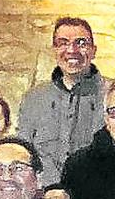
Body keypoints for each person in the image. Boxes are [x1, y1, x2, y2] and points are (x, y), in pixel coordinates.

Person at [16, 16, 105, 186]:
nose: (72, 50)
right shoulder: (33, 99)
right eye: (63, 43)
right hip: (45, 198)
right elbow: (23, 152)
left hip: (97, 196)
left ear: (93, 51)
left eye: (81, 43)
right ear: (54, 50)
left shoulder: (112, 95)